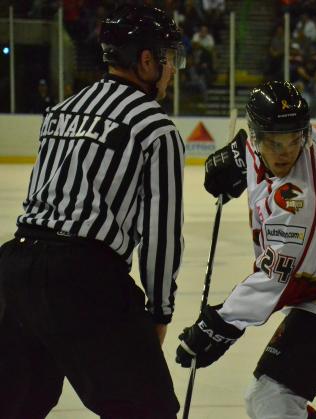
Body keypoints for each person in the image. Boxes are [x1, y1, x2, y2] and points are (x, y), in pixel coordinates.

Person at [0, 5, 186, 418]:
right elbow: (161, 233)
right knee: (148, 409)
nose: (173, 69)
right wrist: (158, 311)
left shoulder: (59, 111)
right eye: (170, 58)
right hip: (83, 278)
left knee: (16, 404)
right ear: (146, 60)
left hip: (14, 270)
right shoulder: (156, 128)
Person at [175, 81, 316, 418]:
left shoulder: (299, 201)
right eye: (273, 142)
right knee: (266, 399)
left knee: (272, 401)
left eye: (293, 141)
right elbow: (277, 133)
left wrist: (219, 324)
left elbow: (280, 280)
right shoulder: (298, 136)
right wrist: (240, 153)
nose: (285, 151)